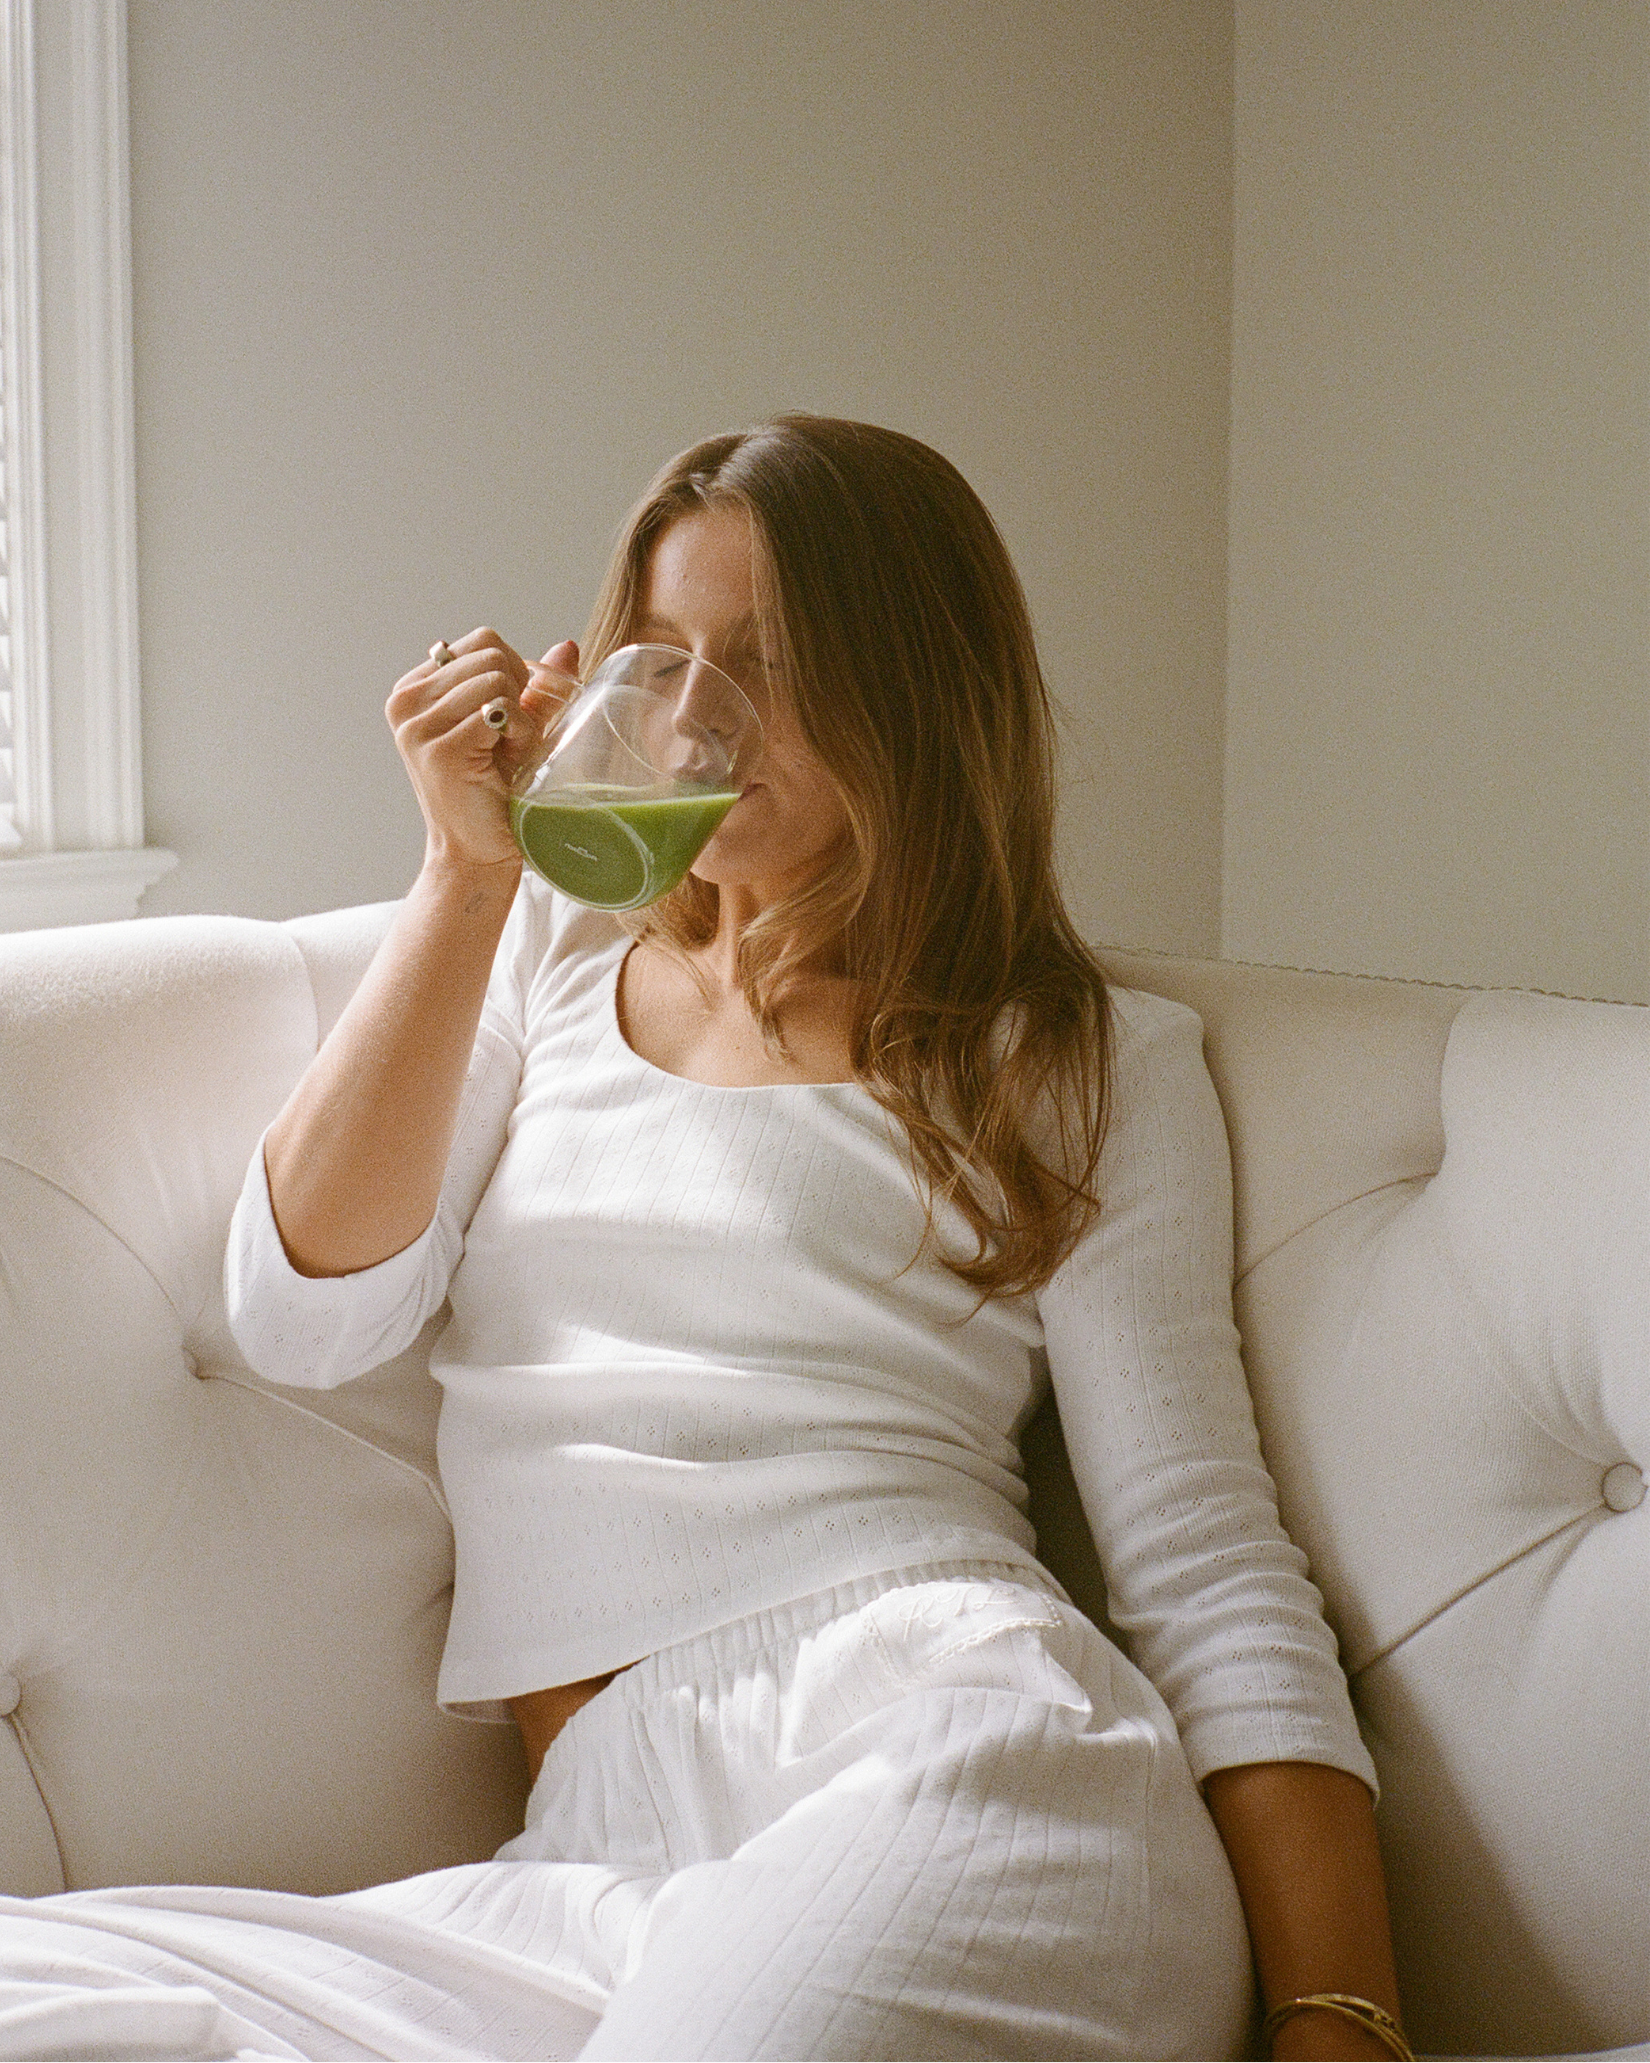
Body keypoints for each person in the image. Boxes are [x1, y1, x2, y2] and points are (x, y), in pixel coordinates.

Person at [0, 415, 1409, 2062]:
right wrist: (465, 875)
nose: (696, 712)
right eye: (661, 655)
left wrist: (1342, 2016)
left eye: (767, 661)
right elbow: (303, 1315)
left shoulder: (1078, 1058)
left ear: (914, 688)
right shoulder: (546, 952)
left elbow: (1204, 1566)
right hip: (600, 1860)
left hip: (952, 1749)